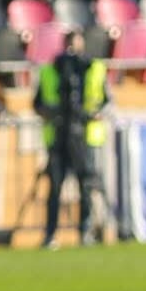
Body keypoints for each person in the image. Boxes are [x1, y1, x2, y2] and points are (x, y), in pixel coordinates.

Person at [34, 30, 110, 250]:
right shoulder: (50, 70)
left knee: (85, 185)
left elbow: (106, 101)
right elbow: (37, 103)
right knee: (55, 188)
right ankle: (50, 234)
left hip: (85, 136)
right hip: (58, 136)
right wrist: (51, 112)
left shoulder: (94, 69)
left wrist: (93, 113)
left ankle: (85, 231)